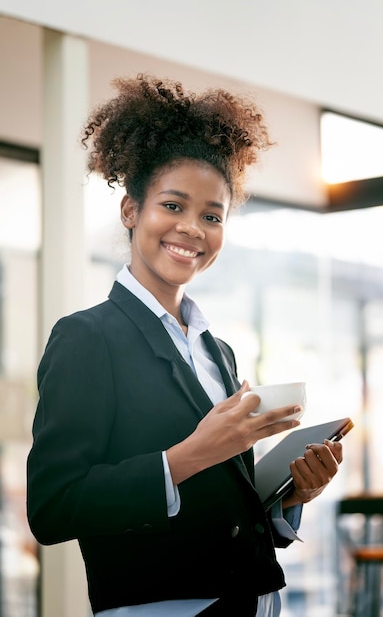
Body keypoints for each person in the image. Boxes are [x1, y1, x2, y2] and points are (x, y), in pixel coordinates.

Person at [26, 74, 343, 617]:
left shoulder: (217, 351)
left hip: (254, 600)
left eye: (212, 216)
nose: (192, 229)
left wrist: (288, 494)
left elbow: (220, 505)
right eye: (173, 206)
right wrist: (192, 454)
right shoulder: (87, 338)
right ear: (131, 211)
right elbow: (53, 507)